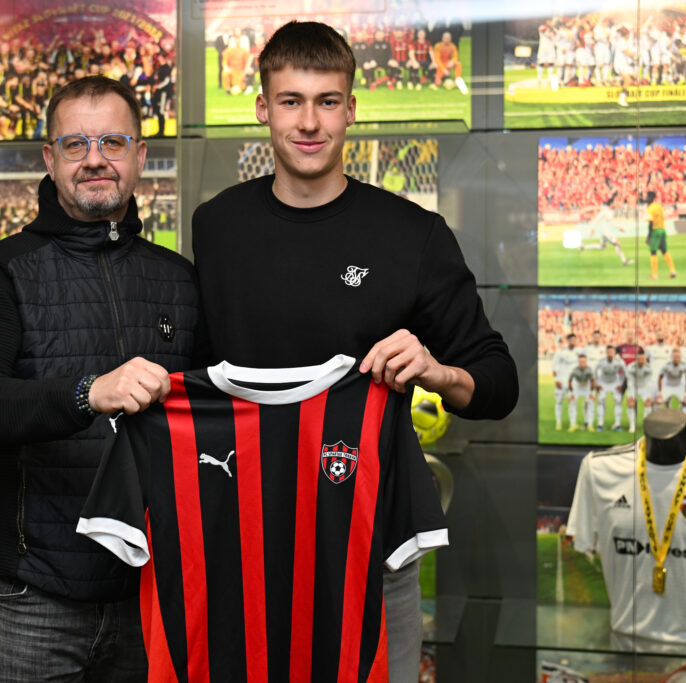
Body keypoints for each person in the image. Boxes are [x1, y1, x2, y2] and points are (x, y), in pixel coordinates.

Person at [190, 21, 517, 679]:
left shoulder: (413, 234)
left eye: (328, 101)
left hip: (373, 544)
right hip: (244, 540)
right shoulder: (217, 225)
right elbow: (198, 372)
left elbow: (498, 381)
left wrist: (436, 370)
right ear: (262, 108)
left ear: (351, 110)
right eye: (291, 101)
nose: (310, 122)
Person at [0, 76, 206, 682]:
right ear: (50, 158)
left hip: (149, 588)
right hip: (33, 595)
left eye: (112, 142)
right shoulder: (1, 270)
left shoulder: (180, 279)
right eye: (75, 144)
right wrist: (88, 393)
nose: (94, 159)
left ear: (140, 155)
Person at [644, 189, 676, 280]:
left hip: (655, 230)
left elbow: (651, 222)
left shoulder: (650, 208)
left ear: (650, 198)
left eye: (647, 197)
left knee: (653, 252)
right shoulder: (659, 206)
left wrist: (649, 236)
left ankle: (655, 274)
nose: (645, 198)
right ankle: (673, 271)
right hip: (662, 229)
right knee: (664, 250)